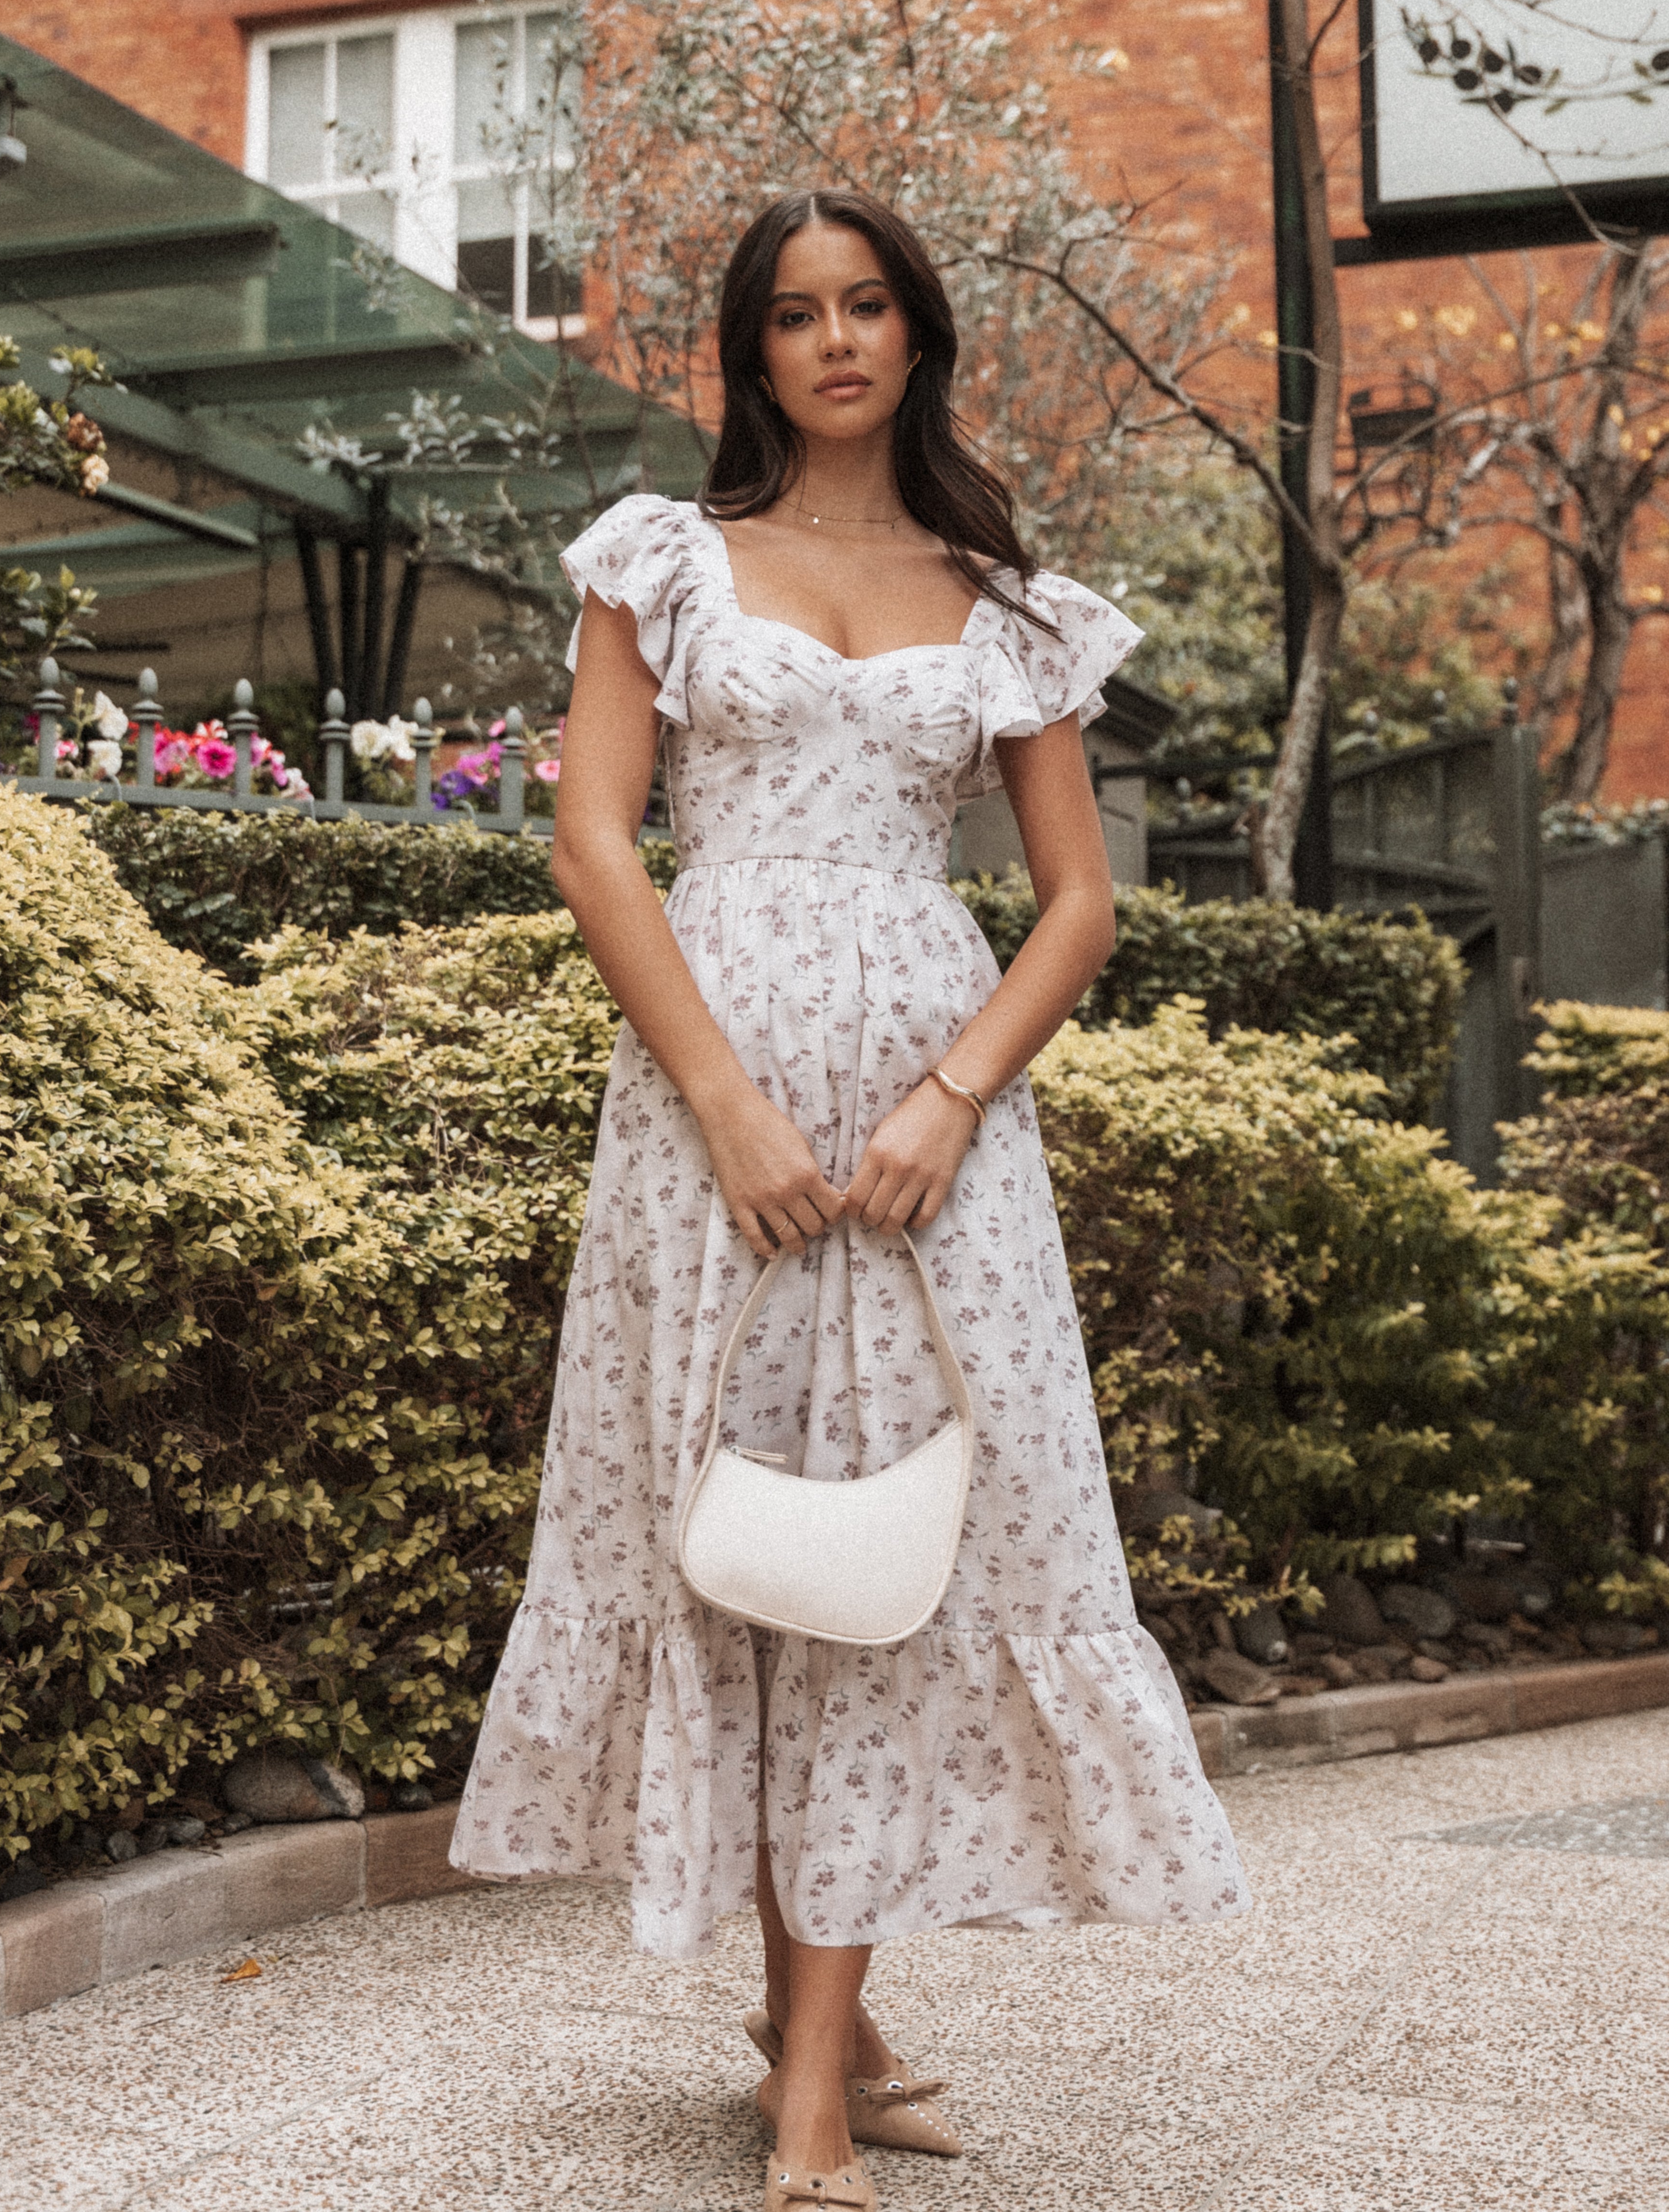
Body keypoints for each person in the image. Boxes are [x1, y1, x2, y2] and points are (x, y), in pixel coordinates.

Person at [451, 187, 1250, 2210]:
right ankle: (828, 2027)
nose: (832, 341)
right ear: (751, 351)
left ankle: (810, 2079)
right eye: (794, 313)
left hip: (926, 1136)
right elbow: (592, 842)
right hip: (704, 1122)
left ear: (915, 335)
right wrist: (719, 1102)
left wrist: (948, 1102)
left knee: (894, 1560)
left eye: (865, 305)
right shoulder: (664, 562)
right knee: (732, 1546)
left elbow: (1076, 903)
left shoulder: (1000, 596)